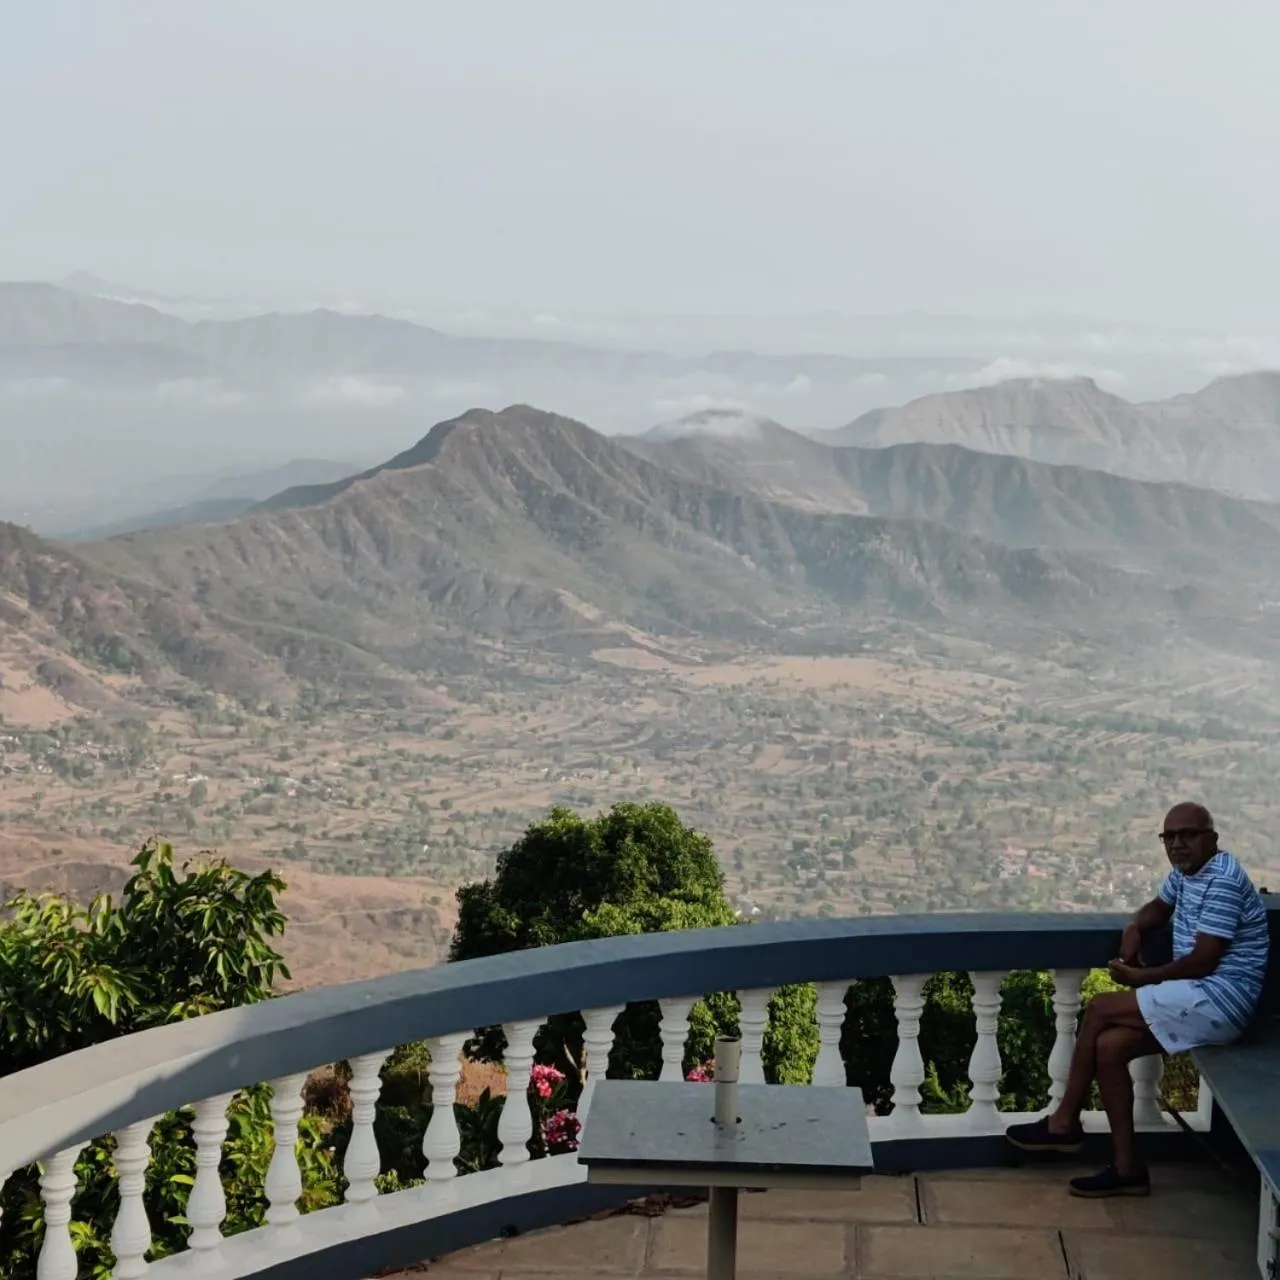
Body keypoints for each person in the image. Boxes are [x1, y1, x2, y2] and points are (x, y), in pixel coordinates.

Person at [1004, 802, 1270, 1197]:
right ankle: (1127, 1169)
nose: (1178, 844)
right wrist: (1134, 926)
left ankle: (1063, 1122)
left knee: (1098, 1009)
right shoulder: (1187, 874)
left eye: (1188, 835)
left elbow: (1203, 961)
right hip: (1201, 997)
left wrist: (1140, 978)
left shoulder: (1223, 879)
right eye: (1170, 836)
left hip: (1219, 1000)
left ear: (1211, 839)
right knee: (1110, 1049)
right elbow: (1159, 908)